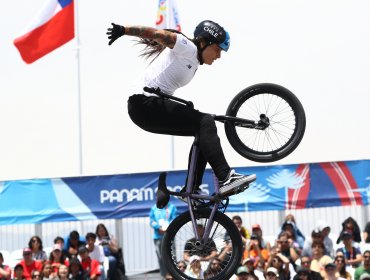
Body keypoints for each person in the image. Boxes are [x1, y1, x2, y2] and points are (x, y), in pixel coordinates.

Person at [106, 20, 257, 199]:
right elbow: (156, 34)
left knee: (202, 129)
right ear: (203, 43)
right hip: (143, 103)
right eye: (217, 49)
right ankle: (225, 177)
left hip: (145, 108)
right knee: (204, 122)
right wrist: (124, 30)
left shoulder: (193, 61)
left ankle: (191, 189)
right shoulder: (187, 47)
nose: (219, 56)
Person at [149, 202, 177, 278]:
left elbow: (174, 219)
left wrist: (167, 227)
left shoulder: (172, 207)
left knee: (172, 256)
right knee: (161, 257)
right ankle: (164, 276)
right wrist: (158, 227)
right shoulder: (154, 208)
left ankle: (174, 275)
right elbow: (151, 221)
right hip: (158, 236)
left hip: (169, 236)